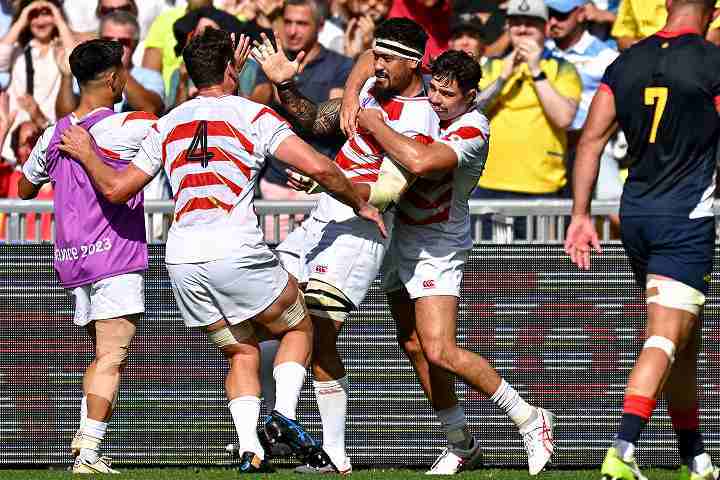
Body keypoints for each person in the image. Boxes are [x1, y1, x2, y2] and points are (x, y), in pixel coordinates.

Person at [58, 28, 385, 473]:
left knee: (242, 351)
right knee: (299, 326)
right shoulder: (254, 116)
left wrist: (85, 151)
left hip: (182, 261)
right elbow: (323, 168)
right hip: (235, 248)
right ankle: (285, 417)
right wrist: (360, 201)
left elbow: (116, 189)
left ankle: (251, 447)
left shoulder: (167, 122)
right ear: (233, 68)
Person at [322, 48, 557, 476]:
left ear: (471, 96)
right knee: (414, 348)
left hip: (437, 245)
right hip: (396, 238)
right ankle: (461, 444)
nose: (436, 99)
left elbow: (420, 161)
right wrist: (329, 168)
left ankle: (528, 418)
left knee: (440, 349)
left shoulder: (473, 128)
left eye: (447, 94)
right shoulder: (423, 111)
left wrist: (373, 121)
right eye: (433, 89)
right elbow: (375, 52)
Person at [250, 18, 438, 473]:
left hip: (360, 231)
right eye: (374, 57)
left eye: (386, 59)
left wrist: (324, 183)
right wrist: (285, 84)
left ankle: (315, 441)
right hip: (319, 221)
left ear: (414, 64)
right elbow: (315, 119)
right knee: (274, 315)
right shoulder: (371, 92)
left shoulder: (421, 117)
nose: (376, 66)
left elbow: (390, 191)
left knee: (318, 331)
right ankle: (295, 432)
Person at [564, 0, 720, 478]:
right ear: (712, 11)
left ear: (668, 5)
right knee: (665, 336)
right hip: (685, 216)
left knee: (682, 338)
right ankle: (622, 449)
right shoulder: (714, 62)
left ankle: (694, 454)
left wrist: (580, 215)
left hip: (636, 213)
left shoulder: (625, 60)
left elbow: (590, 140)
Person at [16, 38, 156, 473]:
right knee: (111, 357)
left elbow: (23, 188)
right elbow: (167, 126)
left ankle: (87, 445)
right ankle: (89, 453)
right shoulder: (130, 126)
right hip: (115, 257)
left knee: (99, 357)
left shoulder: (54, 134)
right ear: (114, 78)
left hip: (75, 260)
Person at [471, 0, 581, 239]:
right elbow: (470, 113)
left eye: (530, 24)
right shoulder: (491, 66)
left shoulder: (563, 68)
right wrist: (502, 78)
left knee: (538, 269)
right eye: (516, 24)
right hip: (490, 185)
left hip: (541, 188)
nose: (522, 29)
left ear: (545, 28)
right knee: (491, 271)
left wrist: (535, 70)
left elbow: (564, 118)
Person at [0, 0, 76, 162]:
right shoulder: (18, 51)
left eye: (46, 14)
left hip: (47, 142)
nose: (40, 21)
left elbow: (75, 60)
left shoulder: (60, 51)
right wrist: (22, 17)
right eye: (34, 15)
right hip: (11, 147)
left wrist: (58, 16)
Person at [55, 10, 165, 117]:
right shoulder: (87, 73)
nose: (115, 45)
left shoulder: (150, 76)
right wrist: (66, 77)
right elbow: (65, 118)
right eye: (107, 40)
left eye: (124, 42)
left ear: (135, 44)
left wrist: (118, 68)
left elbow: (152, 109)